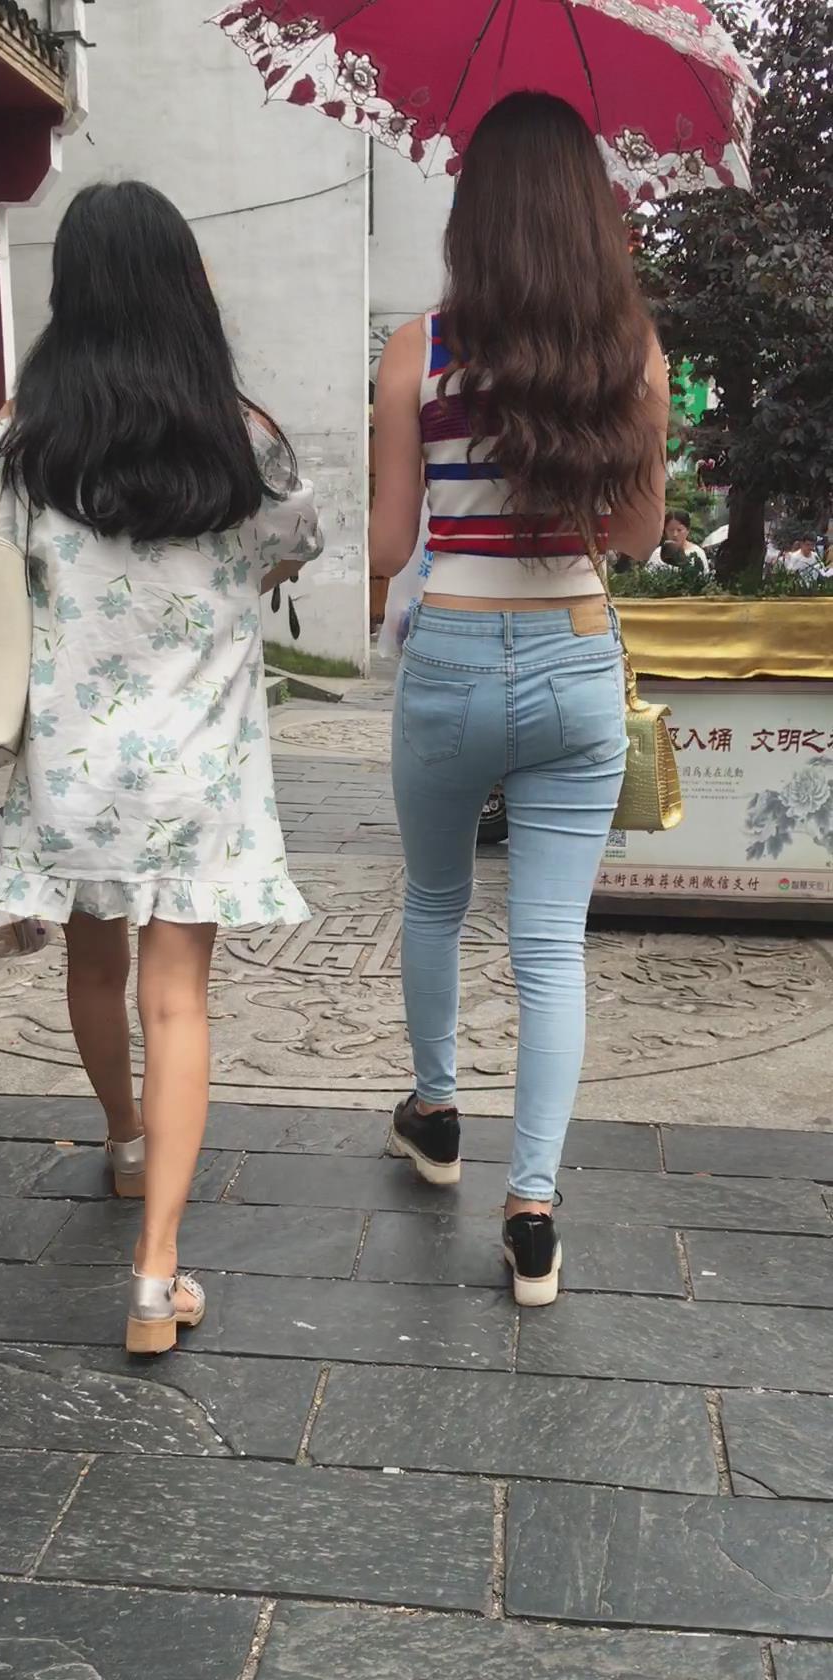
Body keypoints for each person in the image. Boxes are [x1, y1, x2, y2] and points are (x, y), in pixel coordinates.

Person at [0, 181, 322, 1353]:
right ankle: (155, 1277)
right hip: (202, 772)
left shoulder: (27, 440)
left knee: (92, 961)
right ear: (187, 285)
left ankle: (125, 1137)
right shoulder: (243, 434)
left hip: (78, 770)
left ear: (72, 295)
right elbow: (296, 541)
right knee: (179, 997)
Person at [370, 91, 668, 1306]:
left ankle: (436, 1117)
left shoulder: (419, 350)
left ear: (475, 211)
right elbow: (637, 536)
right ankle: (532, 1213)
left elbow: (389, 544)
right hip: (575, 654)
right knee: (549, 944)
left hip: (450, 653)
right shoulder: (628, 356)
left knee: (436, 900)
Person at [648, 508, 708, 574]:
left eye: (679, 530)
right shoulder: (657, 553)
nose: (675, 534)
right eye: (671, 530)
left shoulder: (698, 553)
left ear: (687, 530)